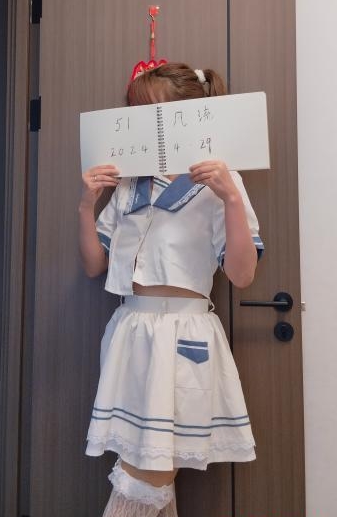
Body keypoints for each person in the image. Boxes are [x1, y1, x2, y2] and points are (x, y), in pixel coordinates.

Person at [79, 62, 265, 517]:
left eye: (154, 111)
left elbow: (242, 275)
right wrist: (87, 205)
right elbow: (94, 265)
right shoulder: (128, 184)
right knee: (144, 463)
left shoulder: (220, 182)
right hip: (129, 329)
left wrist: (231, 197)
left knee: (148, 473)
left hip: (184, 334)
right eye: (137, 111)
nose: (145, 122)